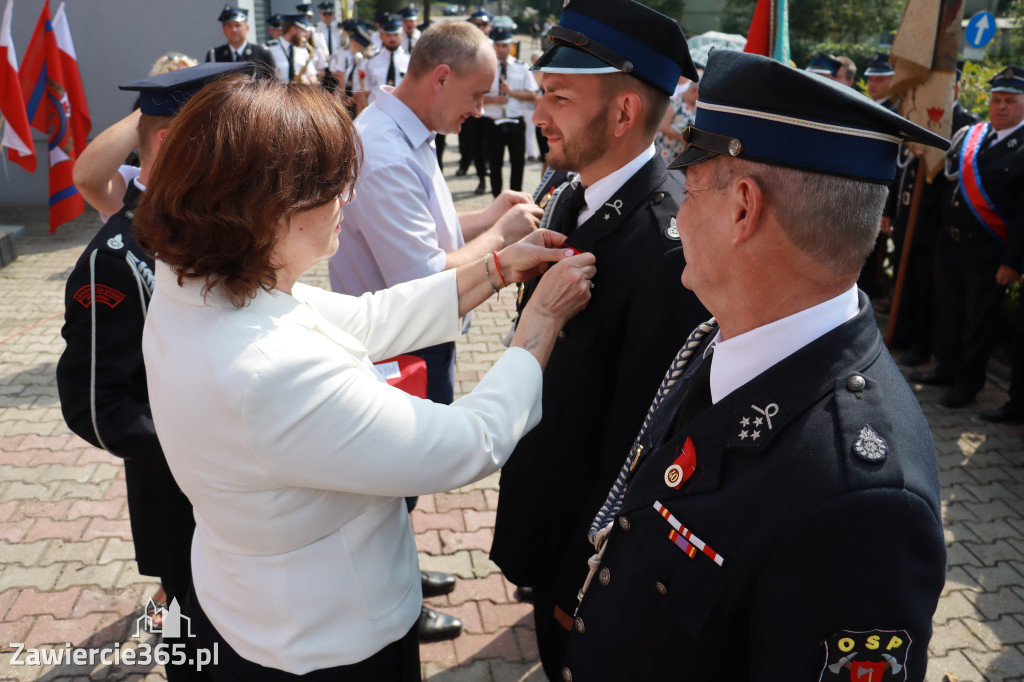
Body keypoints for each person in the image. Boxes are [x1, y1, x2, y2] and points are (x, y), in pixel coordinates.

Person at [134, 71, 595, 680]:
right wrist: (538, 324)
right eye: (330, 188)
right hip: (327, 643)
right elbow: (469, 442)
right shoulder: (270, 370)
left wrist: (497, 268)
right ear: (269, 209)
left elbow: (364, 318)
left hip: (250, 605)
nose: (346, 200)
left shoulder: (195, 282)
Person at [560, 48, 949, 681]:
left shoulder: (863, 501)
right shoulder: (730, 335)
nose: (677, 211)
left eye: (688, 184)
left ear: (743, 207)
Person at [488, 1, 709, 678]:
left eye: (557, 96)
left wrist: (583, 576)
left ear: (622, 114)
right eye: (541, 93)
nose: (538, 114)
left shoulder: (667, 246)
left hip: (579, 551)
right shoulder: (567, 193)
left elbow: (643, 444)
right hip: (544, 501)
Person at [57, 62, 252, 682]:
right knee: (194, 645)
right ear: (173, 145)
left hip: (244, 502)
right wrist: (205, 450)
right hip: (182, 503)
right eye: (226, 139)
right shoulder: (117, 260)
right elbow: (98, 406)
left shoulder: (214, 230)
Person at [909, 66, 1024, 408]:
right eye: (996, 99)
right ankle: (946, 368)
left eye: (1010, 101)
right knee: (949, 314)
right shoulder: (971, 135)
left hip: (989, 250)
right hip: (951, 242)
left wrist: (1012, 262)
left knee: (978, 324)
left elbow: (1022, 215)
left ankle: (968, 384)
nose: (1001, 106)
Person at [888, 65, 979, 368]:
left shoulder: (966, 125)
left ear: (957, 86)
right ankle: (900, 333)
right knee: (907, 281)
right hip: (907, 215)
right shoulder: (918, 115)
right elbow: (900, 170)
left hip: (932, 219)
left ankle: (920, 344)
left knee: (927, 287)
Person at [482, 27, 538, 197]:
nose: (501, 49)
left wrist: (511, 92)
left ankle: (515, 198)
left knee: (517, 163)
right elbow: (473, 95)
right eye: (497, 45)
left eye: (505, 46)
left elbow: (532, 95)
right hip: (493, 121)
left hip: (515, 121)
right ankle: (496, 198)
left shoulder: (521, 67)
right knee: (495, 163)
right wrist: (493, 99)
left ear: (511, 46)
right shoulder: (486, 67)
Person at [456, 10, 492, 183]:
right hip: (469, 103)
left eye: (483, 24)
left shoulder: (497, 46)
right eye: (476, 24)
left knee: (488, 143)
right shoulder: (464, 48)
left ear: (489, 27)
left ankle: (486, 169)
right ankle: (468, 166)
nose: (480, 28)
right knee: (468, 139)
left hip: (492, 107)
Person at [205, 5, 274, 73]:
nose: (234, 30)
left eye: (238, 25)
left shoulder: (262, 54)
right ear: (223, 29)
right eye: (229, 26)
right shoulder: (214, 55)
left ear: (247, 28)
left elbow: (272, 83)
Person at [363, 13, 409, 106]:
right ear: (381, 36)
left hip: (401, 113)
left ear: (402, 34)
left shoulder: (410, 61)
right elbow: (365, 94)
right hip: (376, 114)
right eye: (388, 35)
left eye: (395, 34)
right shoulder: (370, 62)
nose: (392, 38)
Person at [331, 24, 370, 117]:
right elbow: (344, 82)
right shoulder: (352, 60)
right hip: (348, 103)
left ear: (357, 43)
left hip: (358, 107)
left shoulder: (365, 63)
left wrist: (343, 104)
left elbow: (362, 92)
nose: (350, 45)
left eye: (351, 42)